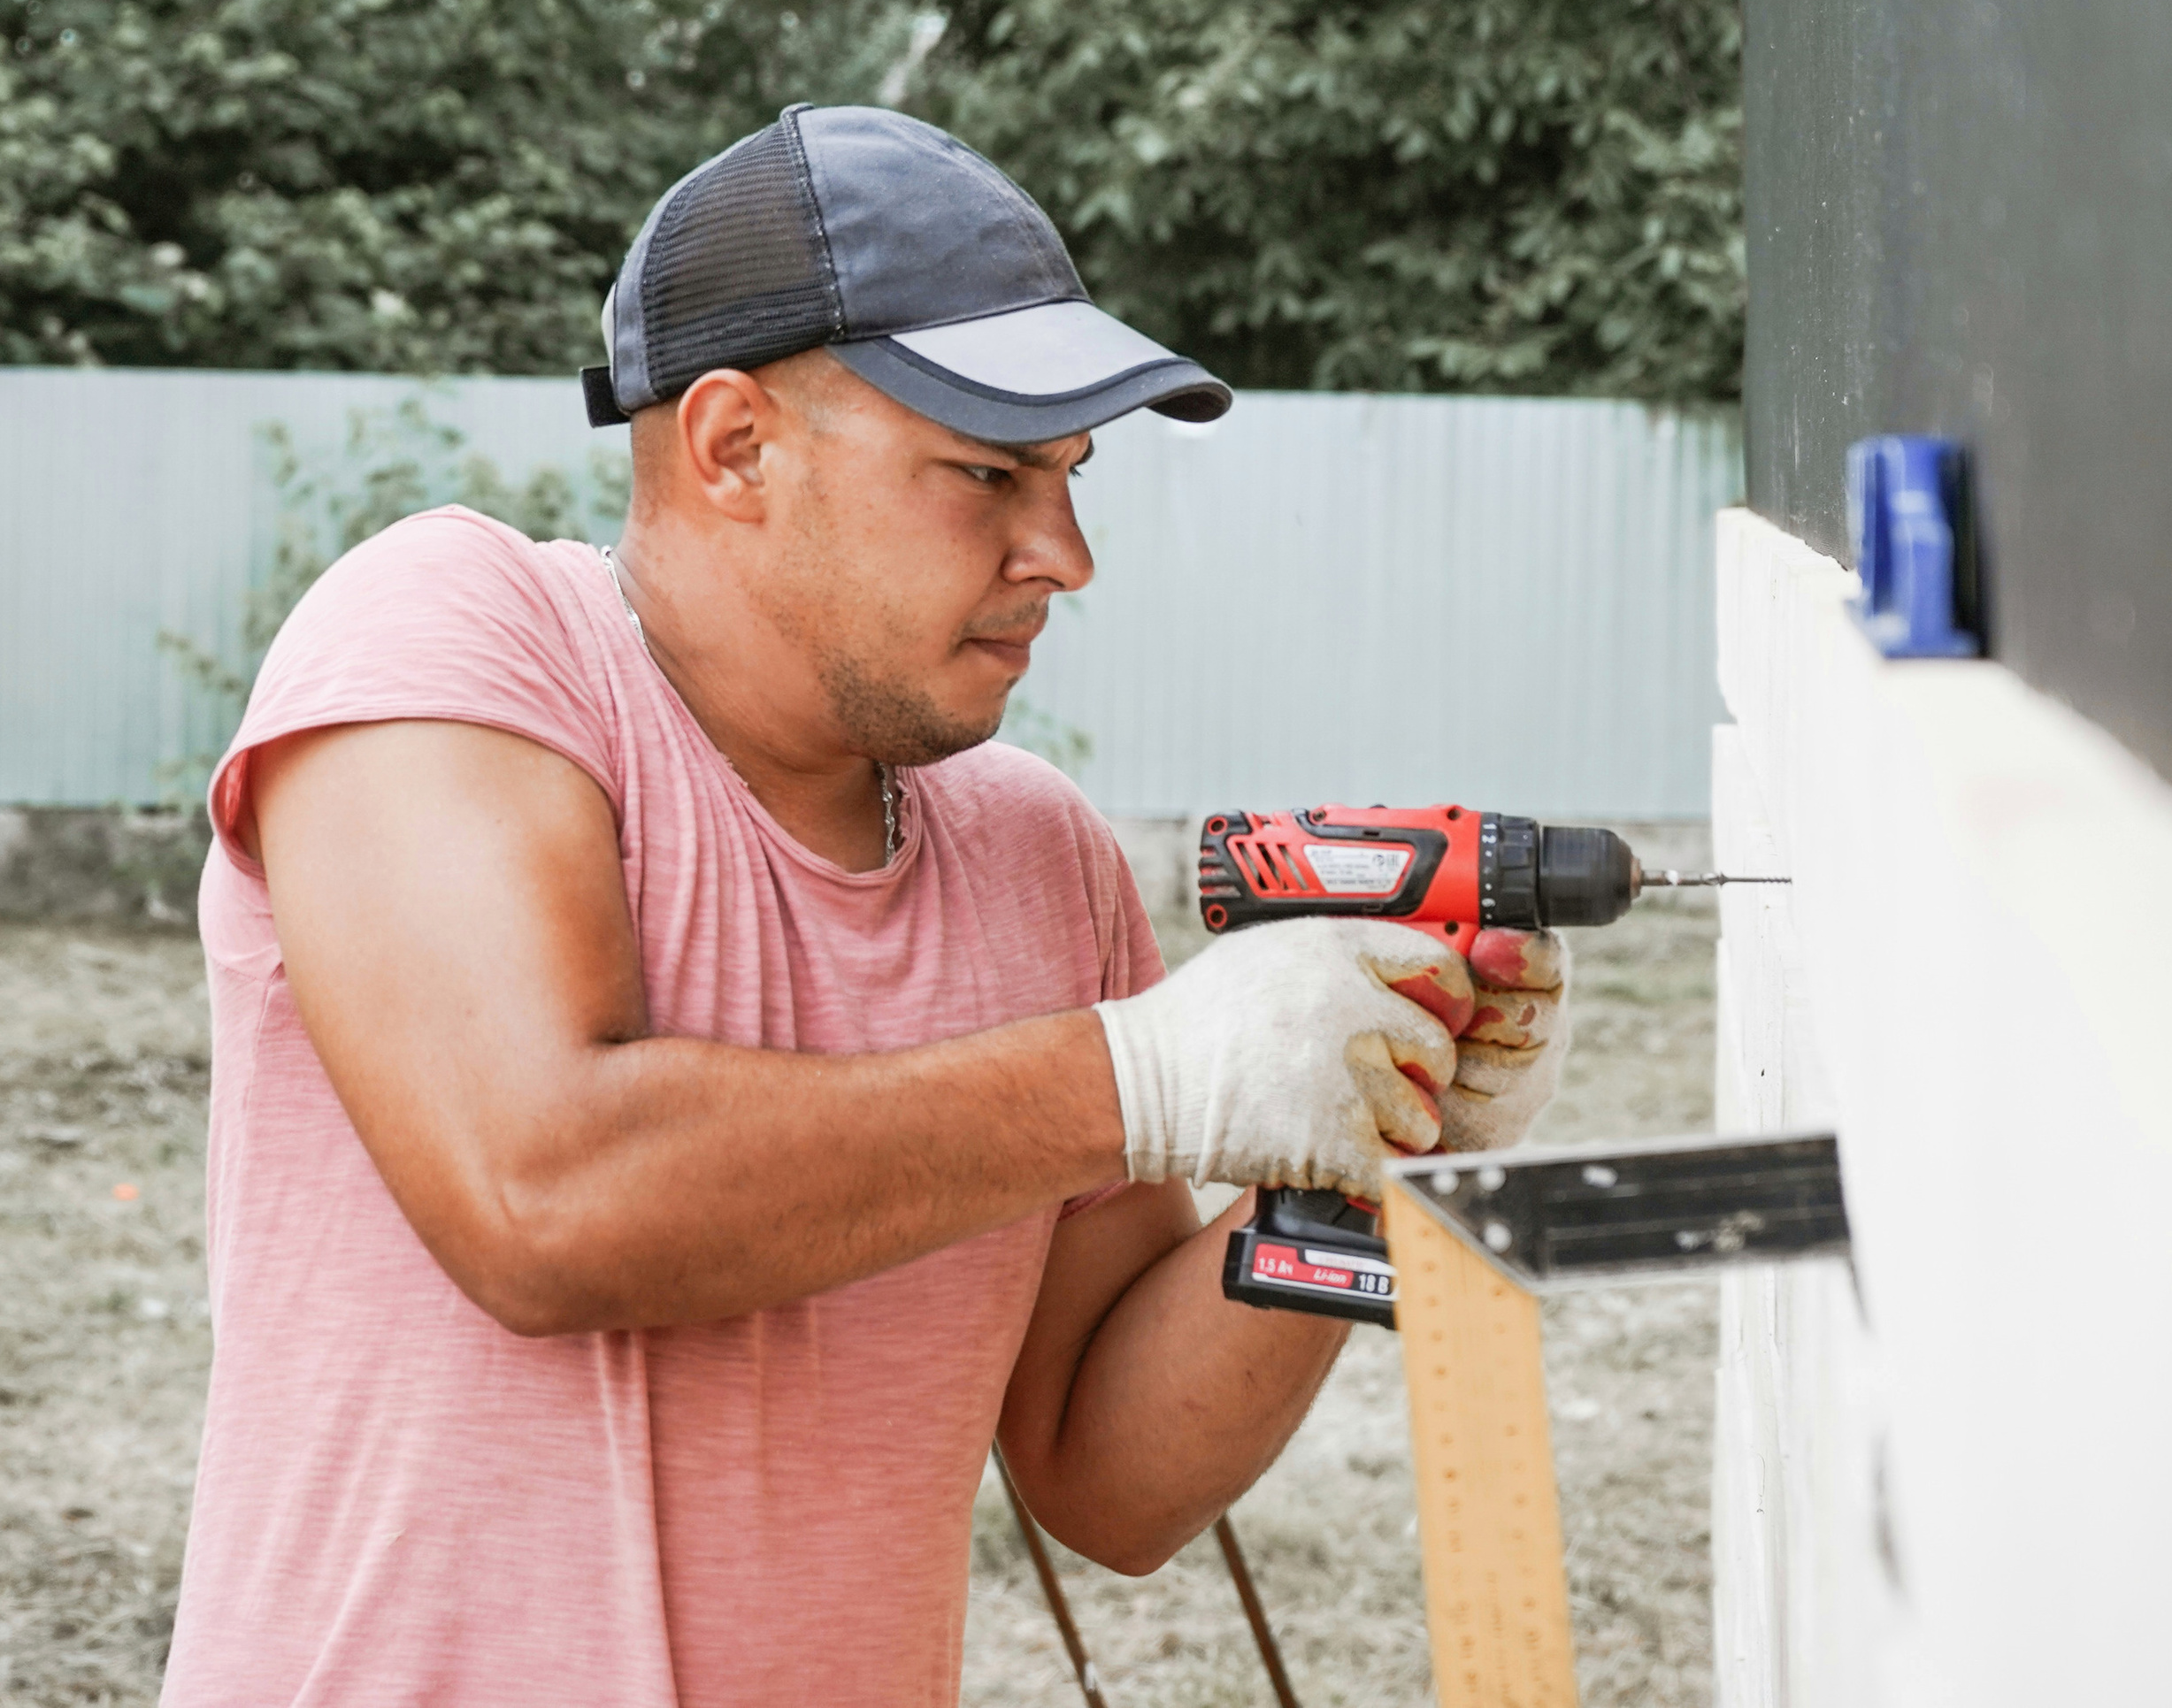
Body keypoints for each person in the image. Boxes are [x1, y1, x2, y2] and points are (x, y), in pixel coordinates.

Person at [161, 106, 1570, 1706]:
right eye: (986, 472)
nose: (1066, 555)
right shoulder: (456, 643)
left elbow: (1109, 1486)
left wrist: (1355, 1154)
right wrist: (1144, 1076)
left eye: (1070, 475)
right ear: (734, 445)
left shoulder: (1039, 856)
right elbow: (541, 1200)